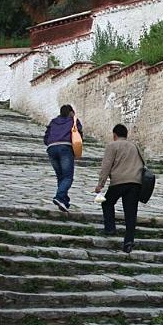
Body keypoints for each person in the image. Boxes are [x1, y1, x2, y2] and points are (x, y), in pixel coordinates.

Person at [94, 124, 144, 254]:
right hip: (135, 182)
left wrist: (100, 184)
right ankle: (129, 241)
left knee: (107, 203)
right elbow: (143, 163)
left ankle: (110, 228)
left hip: (119, 181)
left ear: (114, 135)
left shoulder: (112, 145)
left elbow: (106, 165)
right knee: (131, 213)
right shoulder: (134, 146)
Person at [44, 104, 83, 213]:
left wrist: (51, 143)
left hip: (51, 149)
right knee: (68, 177)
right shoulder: (73, 121)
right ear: (71, 112)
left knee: (61, 177)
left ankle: (64, 202)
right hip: (65, 148)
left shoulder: (53, 121)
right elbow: (79, 135)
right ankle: (60, 197)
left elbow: (46, 137)